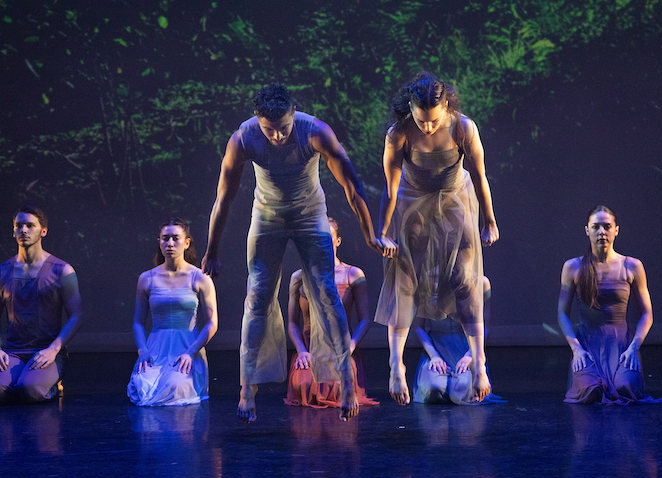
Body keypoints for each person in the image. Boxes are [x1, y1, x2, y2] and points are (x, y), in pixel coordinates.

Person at [202, 84, 380, 422]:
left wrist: (370, 232)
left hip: (310, 214)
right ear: (258, 120)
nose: (279, 136)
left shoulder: (315, 131)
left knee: (326, 293)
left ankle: (344, 381)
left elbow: (352, 186)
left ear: (293, 113)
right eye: (270, 130)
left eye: (284, 127)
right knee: (257, 296)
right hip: (267, 216)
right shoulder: (244, 138)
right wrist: (211, 249)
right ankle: (247, 389)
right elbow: (223, 198)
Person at [374, 72, 499, 406]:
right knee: (405, 282)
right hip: (414, 204)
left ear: (446, 106)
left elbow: (480, 176)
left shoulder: (462, 128)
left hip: (456, 202)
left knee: (465, 280)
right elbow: (389, 188)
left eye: (432, 121)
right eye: (420, 121)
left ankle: (480, 364)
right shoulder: (399, 133)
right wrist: (383, 232)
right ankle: (395, 366)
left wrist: (490, 221)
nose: (427, 128)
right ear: (410, 111)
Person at [557, 206, 662, 404]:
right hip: (587, 344)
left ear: (616, 230)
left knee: (625, 387)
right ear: (587, 230)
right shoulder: (573, 267)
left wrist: (633, 347)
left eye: (607, 226)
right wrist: (576, 349)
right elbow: (562, 313)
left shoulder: (632, 265)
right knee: (591, 390)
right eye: (596, 227)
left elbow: (647, 313)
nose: (601, 232)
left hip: (622, 345)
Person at [284, 217, 378, 408]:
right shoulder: (299, 277)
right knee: (306, 385)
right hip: (310, 349)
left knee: (338, 386)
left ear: (337, 240)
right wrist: (302, 351)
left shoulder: (353, 274)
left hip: (340, 348)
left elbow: (365, 319)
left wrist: (350, 346)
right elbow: (293, 323)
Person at [127, 218, 218, 406]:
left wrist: (191, 352)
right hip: (155, 349)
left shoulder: (200, 278)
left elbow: (212, 322)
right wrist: (143, 351)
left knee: (176, 387)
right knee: (143, 387)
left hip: (187, 348)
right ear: (159, 242)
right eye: (165, 238)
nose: (170, 243)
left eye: (175, 238)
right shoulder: (147, 278)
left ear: (186, 243)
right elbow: (138, 322)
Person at [0, 206, 82, 404]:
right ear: (13, 231)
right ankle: (21, 378)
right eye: (19, 226)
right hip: (13, 351)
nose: (24, 230)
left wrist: (54, 349)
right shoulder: (3, 271)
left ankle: (53, 383)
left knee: (30, 390)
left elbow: (76, 315)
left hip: (46, 351)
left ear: (43, 231)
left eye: (30, 225)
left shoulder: (61, 270)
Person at [413, 276, 503, 404]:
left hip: (466, 348)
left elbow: (485, 327)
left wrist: (471, 355)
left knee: (462, 389)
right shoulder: (425, 283)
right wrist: (434, 356)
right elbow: (419, 327)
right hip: (438, 347)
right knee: (434, 389)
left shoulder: (481, 282)